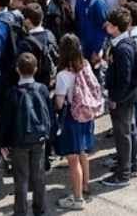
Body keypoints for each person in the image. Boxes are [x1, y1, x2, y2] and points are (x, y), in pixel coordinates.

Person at [0, 53, 51, 216]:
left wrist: (2, 142)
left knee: (21, 178)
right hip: (39, 138)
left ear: (17, 70)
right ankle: (39, 209)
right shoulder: (42, 89)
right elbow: (49, 113)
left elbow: (6, 120)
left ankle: (20, 211)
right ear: (35, 69)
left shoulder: (12, 92)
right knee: (39, 176)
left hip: (19, 141)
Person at [54, 33, 97, 211]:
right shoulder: (85, 65)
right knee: (83, 152)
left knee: (72, 159)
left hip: (72, 118)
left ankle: (77, 198)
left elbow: (59, 102)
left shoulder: (63, 75)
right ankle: (86, 185)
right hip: (86, 115)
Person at [102, 7, 137, 188]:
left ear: (116, 27)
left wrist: (114, 99)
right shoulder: (124, 42)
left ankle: (123, 174)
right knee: (129, 129)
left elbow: (124, 79)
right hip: (128, 96)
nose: (106, 26)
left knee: (122, 133)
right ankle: (132, 164)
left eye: (109, 24)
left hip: (123, 98)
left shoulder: (122, 49)